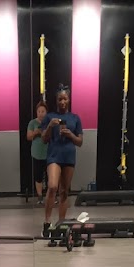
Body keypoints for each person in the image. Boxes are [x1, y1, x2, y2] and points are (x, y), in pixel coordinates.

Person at [40, 87, 83, 237]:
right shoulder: (49, 117)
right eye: (60, 99)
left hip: (69, 157)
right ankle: (47, 222)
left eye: (65, 99)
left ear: (69, 100)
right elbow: (44, 139)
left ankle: (61, 224)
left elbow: (80, 142)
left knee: (64, 191)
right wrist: (50, 126)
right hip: (54, 156)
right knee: (52, 186)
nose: (63, 102)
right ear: (56, 101)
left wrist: (70, 134)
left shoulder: (75, 118)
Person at [26, 101, 49, 204]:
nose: (41, 114)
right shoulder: (32, 123)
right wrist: (36, 132)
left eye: (43, 111)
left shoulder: (49, 122)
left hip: (49, 153)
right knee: (38, 175)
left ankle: (50, 196)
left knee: (50, 176)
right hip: (36, 153)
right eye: (39, 111)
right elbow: (28, 137)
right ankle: (40, 196)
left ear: (46, 112)